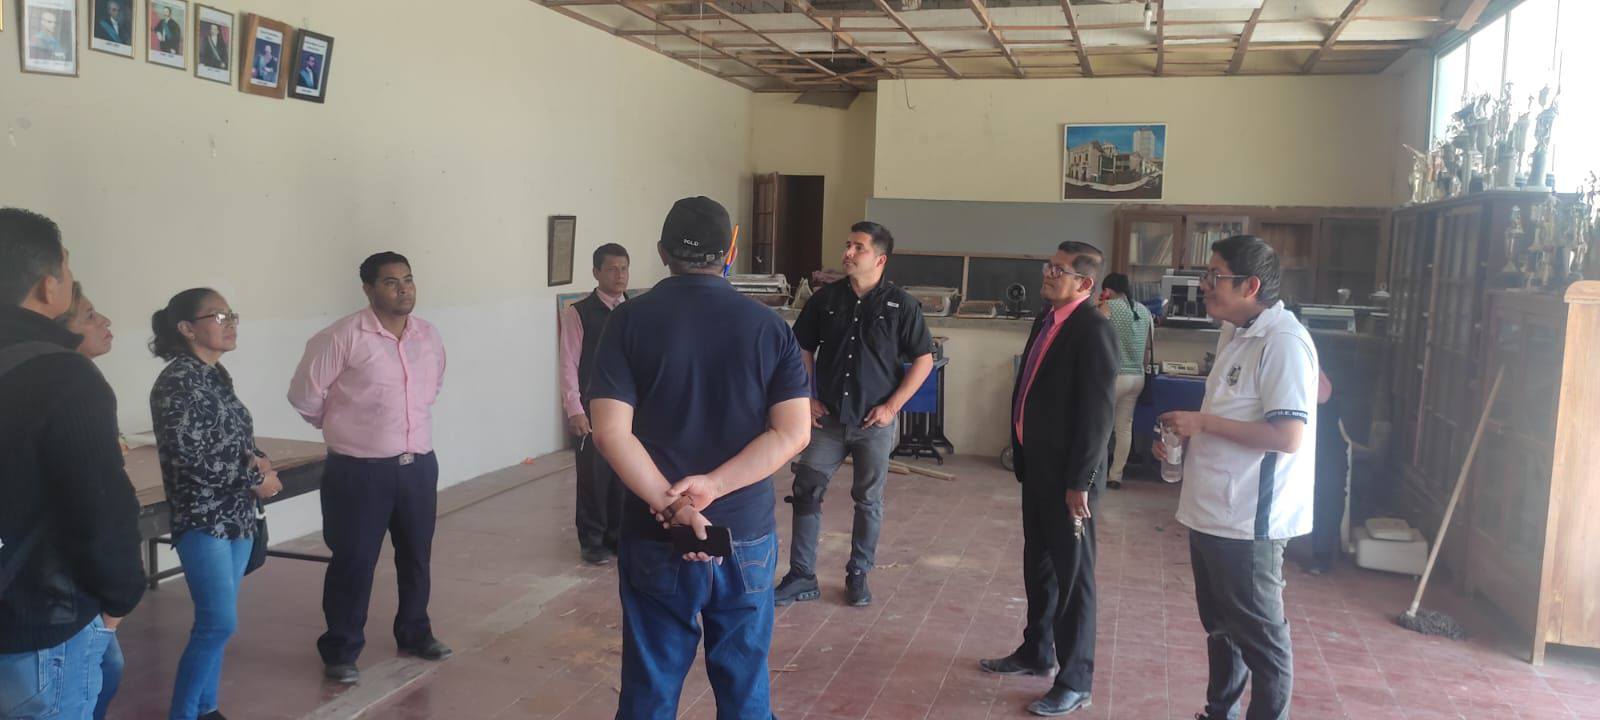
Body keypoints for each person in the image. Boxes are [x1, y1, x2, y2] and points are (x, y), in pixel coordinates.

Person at [589, 197, 811, 719]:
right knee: (744, 689)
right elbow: (793, 433)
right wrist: (713, 486)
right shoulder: (769, 327)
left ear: (662, 252)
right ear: (730, 252)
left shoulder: (628, 322)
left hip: (655, 534)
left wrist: (675, 507)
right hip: (744, 534)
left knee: (649, 688)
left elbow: (610, 432)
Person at [1155, 235, 1318, 720]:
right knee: (1221, 628)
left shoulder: (1283, 342)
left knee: (1262, 639)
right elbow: (1232, 415)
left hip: (1249, 520)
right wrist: (1185, 441)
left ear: (1250, 286)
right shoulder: (1234, 332)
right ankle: (1219, 711)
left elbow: (1288, 436)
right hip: (1212, 510)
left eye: (1215, 277)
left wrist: (1203, 424)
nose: (1204, 285)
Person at [0, 208, 145, 719]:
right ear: (48, 286)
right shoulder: (63, 376)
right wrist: (120, 598)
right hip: (37, 621)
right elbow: (101, 509)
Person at [288, 252, 450, 685]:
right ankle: (341, 649)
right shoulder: (342, 336)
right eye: (391, 282)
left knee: (416, 555)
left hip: (418, 465)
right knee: (354, 561)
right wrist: (345, 425)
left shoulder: (428, 336)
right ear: (368, 289)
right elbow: (304, 396)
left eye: (408, 279)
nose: (403, 289)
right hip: (359, 471)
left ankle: (415, 632)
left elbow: (432, 388)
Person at [979, 241, 1117, 717]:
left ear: (1085, 283)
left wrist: (1080, 481)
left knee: (1074, 579)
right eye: (1048, 266)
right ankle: (1037, 650)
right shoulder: (1046, 318)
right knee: (1038, 565)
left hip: (1069, 481)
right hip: (1037, 469)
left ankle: (1075, 680)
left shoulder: (1093, 330)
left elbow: (1098, 416)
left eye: (1059, 270)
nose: (1048, 274)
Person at [775, 221, 933, 608]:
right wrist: (806, 395)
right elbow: (802, 348)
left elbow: (924, 360)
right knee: (806, 489)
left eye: (858, 247)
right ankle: (802, 575)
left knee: (868, 500)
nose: (847, 252)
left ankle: (858, 573)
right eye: (848, 245)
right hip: (828, 420)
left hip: (873, 423)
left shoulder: (901, 305)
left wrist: (892, 406)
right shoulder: (826, 299)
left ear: (879, 259)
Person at [149, 289, 281, 720]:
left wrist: (260, 460)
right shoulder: (176, 382)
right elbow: (189, 458)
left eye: (232, 315)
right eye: (219, 316)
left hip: (237, 516)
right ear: (187, 329)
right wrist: (256, 478)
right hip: (203, 518)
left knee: (216, 623)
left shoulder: (216, 375)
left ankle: (207, 708)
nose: (230, 323)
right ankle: (184, 713)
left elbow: (236, 437)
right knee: (218, 623)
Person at [51, 283, 122, 720]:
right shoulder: (65, 383)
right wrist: (118, 600)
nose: (105, 322)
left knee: (106, 666)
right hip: (61, 577)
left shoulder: (85, 380)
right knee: (101, 666)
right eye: (90, 315)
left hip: (76, 580)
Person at [558, 243, 630, 565]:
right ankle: (592, 540)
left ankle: (618, 535)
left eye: (624, 268)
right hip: (590, 408)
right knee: (593, 476)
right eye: (612, 269)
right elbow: (568, 363)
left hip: (627, 408)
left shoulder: (633, 310)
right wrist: (574, 409)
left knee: (623, 473)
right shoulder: (580, 313)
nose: (619, 275)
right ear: (596, 272)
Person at [1097, 272, 1153, 489]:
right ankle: (1116, 476)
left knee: (1101, 427)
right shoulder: (1144, 310)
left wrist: (1097, 305)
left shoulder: (1108, 307)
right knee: (1124, 428)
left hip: (1114, 376)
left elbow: (1093, 332)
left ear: (1108, 290)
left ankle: (1095, 474)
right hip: (1137, 377)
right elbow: (1147, 351)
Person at [1305, 370, 1339, 575]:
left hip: (1328, 427)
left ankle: (1322, 554)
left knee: (1327, 489)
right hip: (1311, 424)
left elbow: (1323, 395)